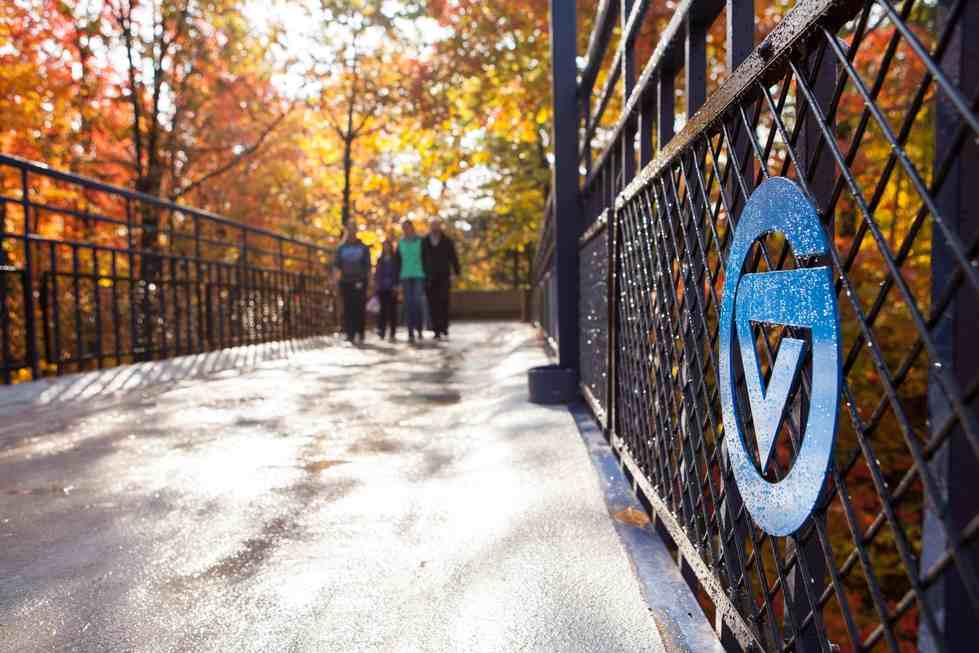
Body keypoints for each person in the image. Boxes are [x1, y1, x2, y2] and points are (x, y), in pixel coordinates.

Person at [422, 218, 461, 339]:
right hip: (429, 277)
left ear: (440, 227)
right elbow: (421, 259)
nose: (434, 227)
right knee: (432, 303)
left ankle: (444, 327)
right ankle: (436, 329)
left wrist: (456, 272)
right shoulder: (425, 241)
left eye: (436, 225)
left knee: (444, 302)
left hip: (444, 276)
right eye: (432, 225)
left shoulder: (447, 241)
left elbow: (453, 257)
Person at [334, 225, 371, 343]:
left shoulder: (363, 247)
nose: (351, 233)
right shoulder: (341, 248)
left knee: (359, 306)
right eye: (349, 231)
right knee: (348, 307)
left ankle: (360, 331)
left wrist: (369, 281)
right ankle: (350, 333)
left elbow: (368, 266)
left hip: (359, 281)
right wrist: (336, 281)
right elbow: (337, 265)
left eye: (353, 230)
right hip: (345, 281)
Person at [397, 219, 426, 343]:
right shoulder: (400, 243)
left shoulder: (420, 241)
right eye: (404, 228)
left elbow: (426, 258)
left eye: (407, 227)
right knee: (408, 304)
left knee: (417, 302)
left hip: (419, 275)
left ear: (412, 228)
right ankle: (410, 331)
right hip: (405, 276)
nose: (406, 230)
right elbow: (397, 261)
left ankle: (419, 328)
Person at [373, 238, 400, 341]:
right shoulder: (380, 259)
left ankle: (393, 332)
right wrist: (376, 284)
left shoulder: (395, 260)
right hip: (382, 288)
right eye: (385, 245)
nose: (386, 247)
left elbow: (397, 273)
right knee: (382, 311)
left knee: (392, 311)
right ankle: (382, 331)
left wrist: (397, 285)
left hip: (392, 288)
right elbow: (377, 274)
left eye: (388, 245)